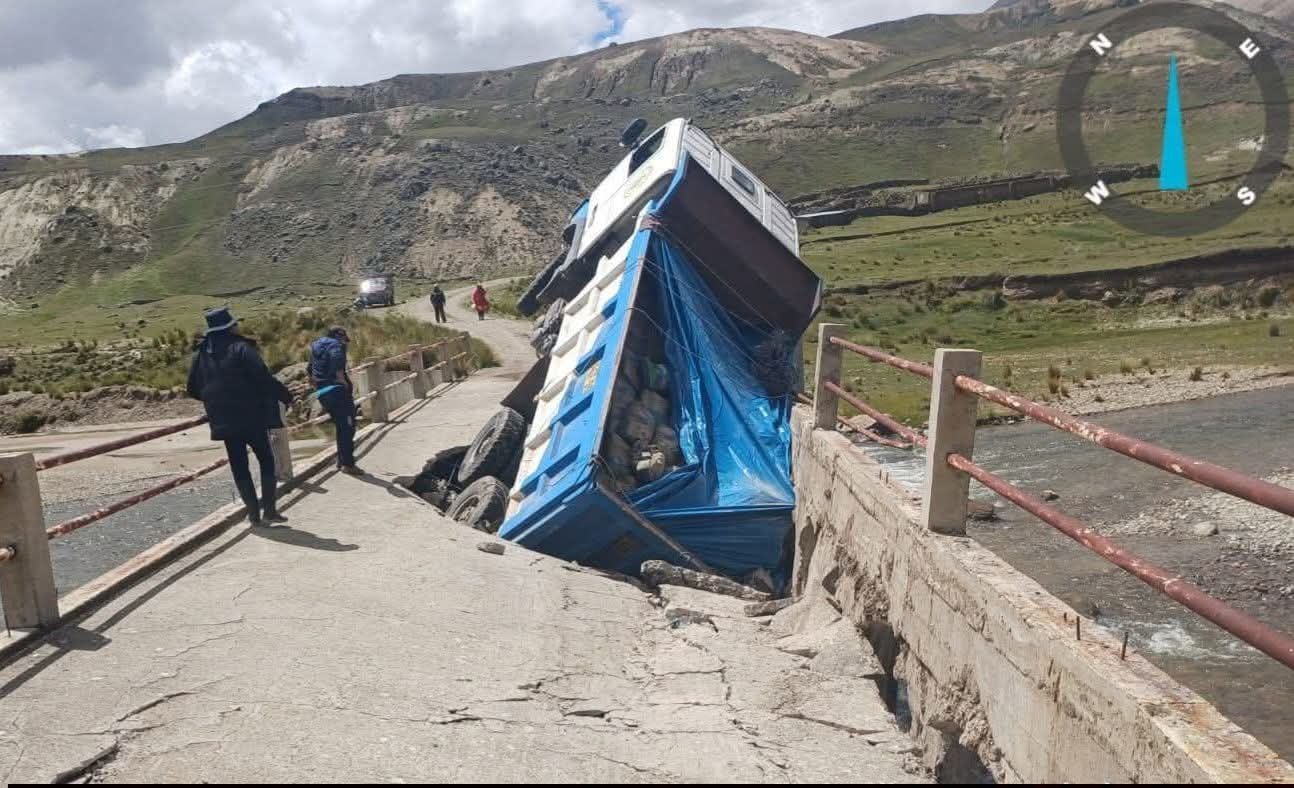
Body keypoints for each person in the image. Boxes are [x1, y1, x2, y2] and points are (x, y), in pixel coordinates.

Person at [187, 306, 293, 526]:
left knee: (239, 466)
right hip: (251, 416)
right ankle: (269, 511)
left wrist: (214, 402)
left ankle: (253, 514)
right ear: (230, 327)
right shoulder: (241, 348)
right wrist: (285, 396)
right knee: (266, 460)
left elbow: (192, 388)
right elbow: (263, 377)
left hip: (223, 420)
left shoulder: (201, 355)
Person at [310, 326, 362, 476]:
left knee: (340, 426)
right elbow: (337, 360)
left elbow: (310, 369)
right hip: (337, 391)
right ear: (340, 337)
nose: (345, 343)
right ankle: (348, 464)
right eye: (344, 340)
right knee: (348, 427)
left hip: (323, 392)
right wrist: (342, 381)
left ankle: (341, 460)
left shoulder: (316, 346)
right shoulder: (336, 345)